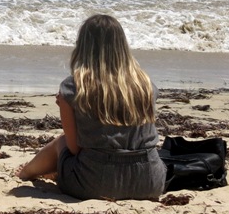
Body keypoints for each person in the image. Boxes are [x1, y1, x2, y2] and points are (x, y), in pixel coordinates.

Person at [16, 14, 167, 200]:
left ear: (83, 46)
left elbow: (73, 148)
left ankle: (26, 173)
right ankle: (35, 172)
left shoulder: (74, 86)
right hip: (150, 180)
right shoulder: (145, 85)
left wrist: (68, 106)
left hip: (95, 183)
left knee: (61, 142)